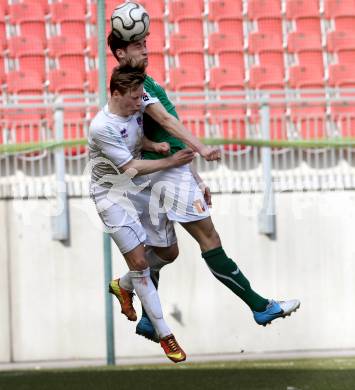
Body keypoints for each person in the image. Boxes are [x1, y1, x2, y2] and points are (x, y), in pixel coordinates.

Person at [107, 2, 301, 343]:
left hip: (166, 174)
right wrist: (202, 149)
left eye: (145, 43)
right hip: (166, 177)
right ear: (121, 51)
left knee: (167, 252)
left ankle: (144, 311)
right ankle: (260, 306)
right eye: (138, 44)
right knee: (209, 240)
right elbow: (166, 123)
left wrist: (194, 174)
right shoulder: (134, 87)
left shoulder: (140, 83)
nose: (145, 48)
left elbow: (152, 135)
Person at [88, 60, 195, 363]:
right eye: (136, 97)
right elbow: (130, 166)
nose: (141, 102)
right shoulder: (101, 127)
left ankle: (122, 285)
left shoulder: (132, 109)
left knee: (169, 252)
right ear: (118, 93)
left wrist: (154, 144)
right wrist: (170, 162)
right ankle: (165, 335)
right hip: (111, 194)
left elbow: (134, 141)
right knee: (139, 263)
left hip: (140, 187)